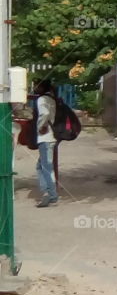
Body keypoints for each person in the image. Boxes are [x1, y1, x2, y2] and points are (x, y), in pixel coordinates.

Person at [33, 79, 59, 208]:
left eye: (36, 86)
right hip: (51, 137)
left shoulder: (42, 99)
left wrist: (40, 126)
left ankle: (49, 194)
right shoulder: (51, 99)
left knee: (46, 168)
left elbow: (45, 113)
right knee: (41, 166)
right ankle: (49, 194)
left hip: (45, 138)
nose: (34, 88)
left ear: (42, 87)